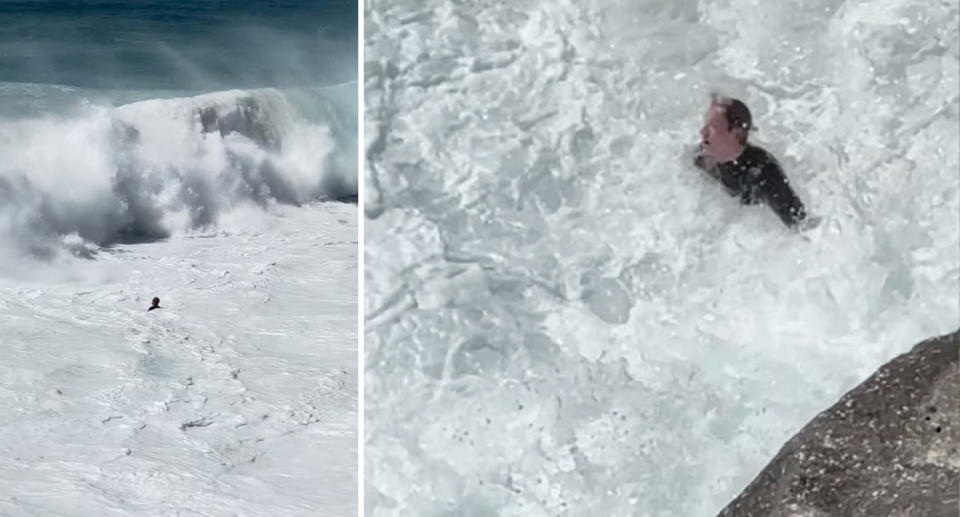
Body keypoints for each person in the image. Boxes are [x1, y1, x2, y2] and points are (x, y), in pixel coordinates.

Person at [693, 95, 808, 228]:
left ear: (737, 134)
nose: (703, 132)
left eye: (713, 126)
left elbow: (800, 225)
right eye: (705, 124)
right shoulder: (700, 158)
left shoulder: (763, 172)